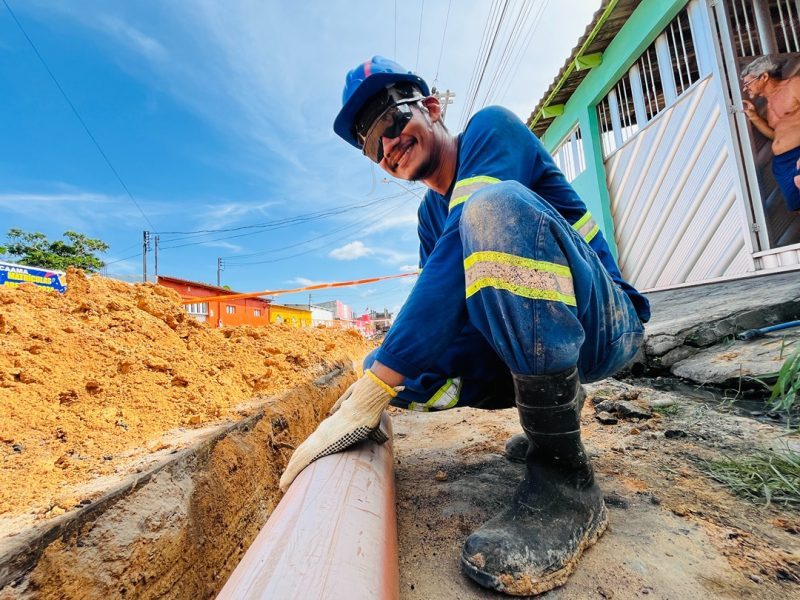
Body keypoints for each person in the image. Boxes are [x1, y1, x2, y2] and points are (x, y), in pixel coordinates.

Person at [279, 57, 650, 596]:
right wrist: (386, 381)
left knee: (489, 209)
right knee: (409, 376)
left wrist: (374, 387)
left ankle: (567, 486)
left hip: (607, 324)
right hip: (539, 333)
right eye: (369, 145)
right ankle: (556, 414)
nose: (386, 148)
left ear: (430, 108)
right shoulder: (429, 216)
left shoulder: (492, 130)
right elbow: (448, 310)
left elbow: (462, 248)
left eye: (389, 122)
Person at [741, 55, 800, 213]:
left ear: (764, 76)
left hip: (798, 153)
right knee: (797, 206)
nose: (745, 89)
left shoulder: (794, 85)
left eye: (748, 83)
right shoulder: (769, 105)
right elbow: (776, 135)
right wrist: (754, 117)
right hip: (782, 162)